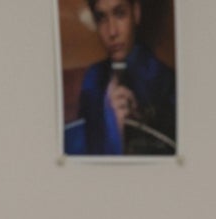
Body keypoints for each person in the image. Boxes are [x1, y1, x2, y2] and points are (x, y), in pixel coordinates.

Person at [67, 0, 176, 157]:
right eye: (101, 18)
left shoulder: (164, 80)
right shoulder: (93, 78)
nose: (112, 32)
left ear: (136, 13)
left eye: (120, 14)